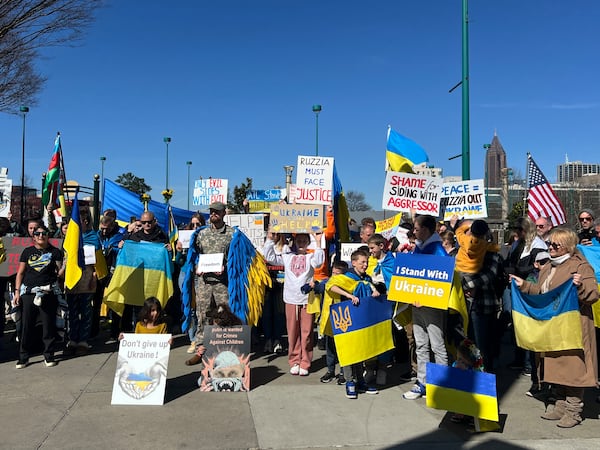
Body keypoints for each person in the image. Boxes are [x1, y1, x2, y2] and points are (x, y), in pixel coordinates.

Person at [511, 228, 598, 428]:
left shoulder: (581, 267)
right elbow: (542, 293)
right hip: (554, 327)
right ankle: (559, 404)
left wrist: (580, 287)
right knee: (556, 366)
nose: (550, 247)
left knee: (574, 369)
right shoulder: (548, 266)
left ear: (568, 246)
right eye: (549, 244)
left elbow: (592, 294)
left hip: (573, 327)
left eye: (555, 245)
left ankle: (573, 410)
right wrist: (524, 284)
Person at [263, 232, 324, 376]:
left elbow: (319, 261)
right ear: (295, 242)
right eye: (299, 240)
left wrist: (318, 241)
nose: (301, 243)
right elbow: (269, 257)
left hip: (307, 301)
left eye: (304, 240)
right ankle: (295, 360)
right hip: (291, 299)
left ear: (308, 242)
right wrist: (270, 239)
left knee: (307, 333)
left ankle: (305, 362)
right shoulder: (287, 256)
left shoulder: (310, 257)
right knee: (292, 332)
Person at [403, 214, 449, 400]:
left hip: (431, 305)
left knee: (437, 345)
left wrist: (426, 298)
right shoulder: (420, 248)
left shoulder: (437, 249)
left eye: (416, 228)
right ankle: (422, 382)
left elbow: (442, 279)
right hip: (416, 303)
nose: (414, 232)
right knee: (421, 344)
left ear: (426, 229)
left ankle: (441, 385)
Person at [325, 249, 380, 398]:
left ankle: (360, 381)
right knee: (348, 352)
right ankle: (350, 382)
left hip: (361, 319)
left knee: (360, 350)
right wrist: (349, 295)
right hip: (347, 319)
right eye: (362, 262)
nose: (365, 265)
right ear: (354, 262)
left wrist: (374, 292)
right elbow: (330, 285)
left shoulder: (367, 278)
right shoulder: (346, 277)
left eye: (366, 262)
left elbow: (371, 288)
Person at [14, 224, 64, 368]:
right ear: (33, 236)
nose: (41, 236)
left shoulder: (55, 252)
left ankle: (48, 356)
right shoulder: (27, 251)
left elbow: (59, 274)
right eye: (37, 233)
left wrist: (65, 267)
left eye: (44, 233)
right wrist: (17, 291)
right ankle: (23, 357)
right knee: (26, 325)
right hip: (29, 293)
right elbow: (20, 273)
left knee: (48, 326)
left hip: (48, 292)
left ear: (48, 235)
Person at [192, 202, 235, 351]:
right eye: (211, 212)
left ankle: (227, 346)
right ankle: (200, 347)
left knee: (225, 315)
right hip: (204, 282)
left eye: (216, 212)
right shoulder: (202, 234)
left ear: (224, 213)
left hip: (222, 283)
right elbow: (196, 254)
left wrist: (226, 266)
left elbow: (236, 258)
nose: (213, 214)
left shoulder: (231, 234)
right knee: (202, 314)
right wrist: (197, 266)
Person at [65, 208, 101, 355]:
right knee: (72, 312)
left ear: (85, 221)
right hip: (72, 279)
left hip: (87, 279)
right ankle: (72, 339)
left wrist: (94, 277)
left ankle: (83, 341)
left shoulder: (93, 237)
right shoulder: (70, 237)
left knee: (86, 312)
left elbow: (98, 261)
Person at [317, 260, 348, 384]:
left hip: (342, 319)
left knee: (341, 348)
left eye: (337, 274)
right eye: (333, 273)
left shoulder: (346, 285)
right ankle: (330, 370)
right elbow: (319, 287)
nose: (334, 276)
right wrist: (313, 285)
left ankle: (342, 372)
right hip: (329, 319)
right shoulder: (327, 282)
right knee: (330, 347)